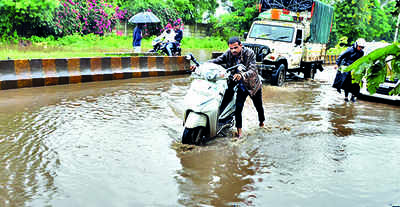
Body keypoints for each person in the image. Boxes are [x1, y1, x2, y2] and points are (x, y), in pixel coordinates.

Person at [190, 37, 265, 138]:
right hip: (238, 83)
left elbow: (253, 70)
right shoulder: (229, 53)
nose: (233, 50)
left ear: (241, 46)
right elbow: (216, 61)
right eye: (231, 48)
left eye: (235, 48)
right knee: (237, 108)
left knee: (258, 106)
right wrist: (201, 66)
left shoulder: (249, 53)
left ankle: (261, 122)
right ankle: (239, 132)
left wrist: (242, 75)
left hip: (252, 85)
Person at [333, 38, 366, 102]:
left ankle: (353, 96)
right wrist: (337, 64)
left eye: (362, 47)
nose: (360, 48)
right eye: (359, 47)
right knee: (346, 83)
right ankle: (346, 97)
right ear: (356, 45)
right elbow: (341, 56)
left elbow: (361, 61)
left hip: (355, 70)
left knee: (355, 84)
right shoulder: (350, 50)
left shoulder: (361, 53)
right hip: (347, 67)